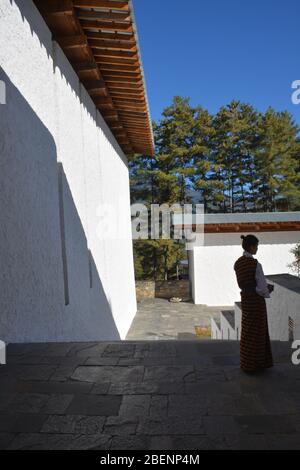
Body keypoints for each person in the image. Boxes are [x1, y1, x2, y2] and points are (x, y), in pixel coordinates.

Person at [234, 234, 274, 373]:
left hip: (245, 300)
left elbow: (245, 283)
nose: (257, 249)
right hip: (256, 302)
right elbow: (261, 288)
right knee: (258, 332)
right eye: (256, 246)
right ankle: (256, 364)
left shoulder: (238, 263)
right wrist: (268, 289)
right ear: (251, 246)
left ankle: (246, 363)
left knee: (247, 331)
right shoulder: (256, 264)